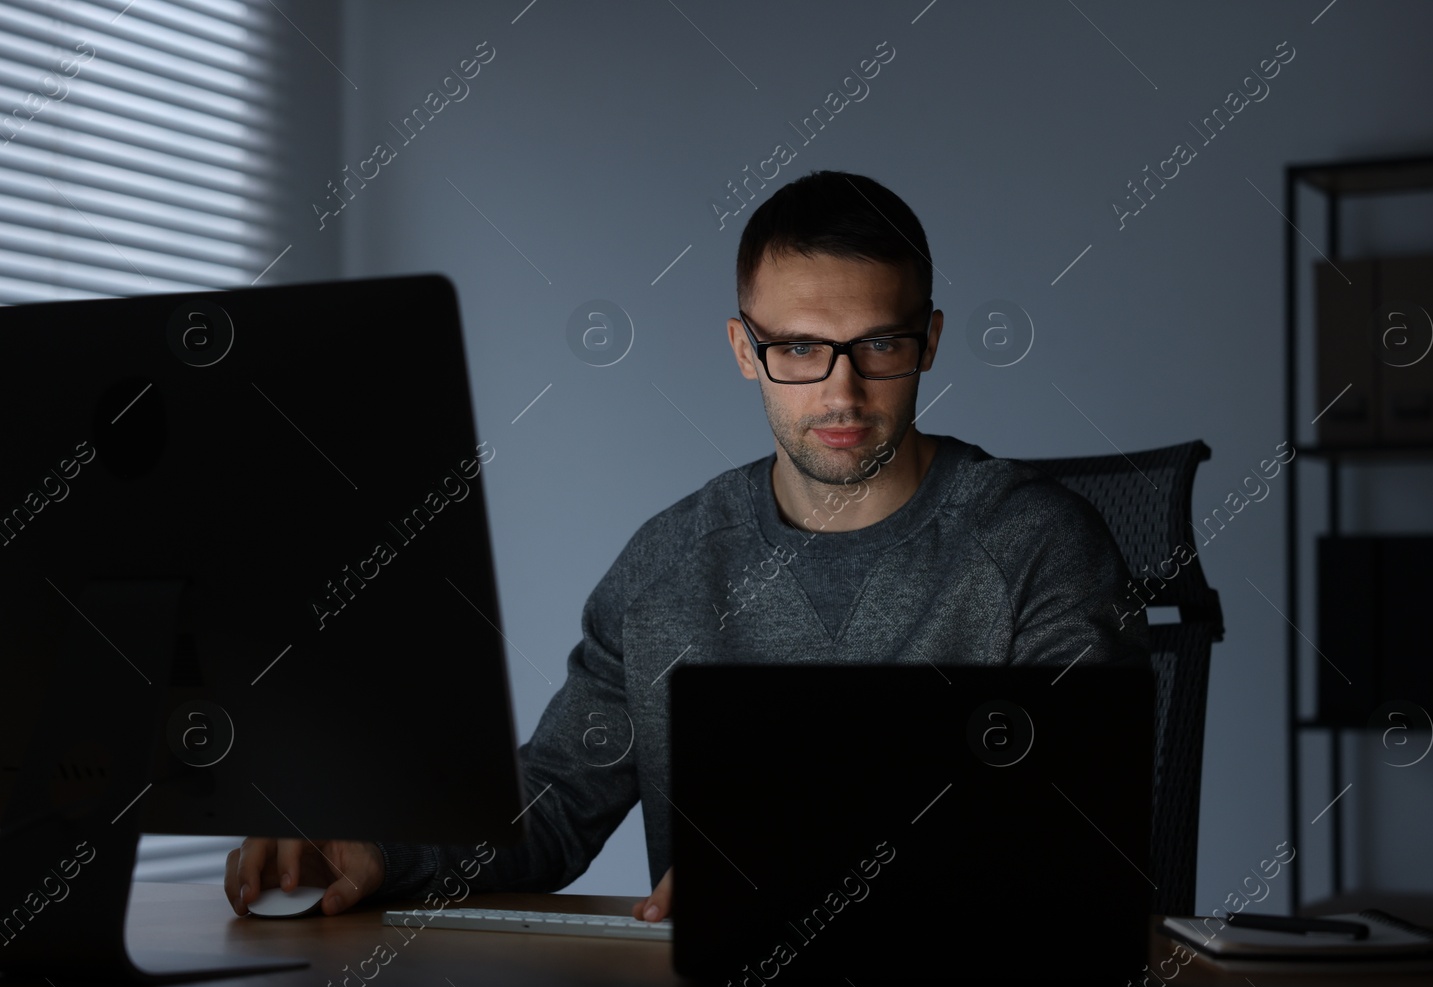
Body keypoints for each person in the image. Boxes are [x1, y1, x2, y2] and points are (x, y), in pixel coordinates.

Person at [225, 170, 1152, 922]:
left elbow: (1075, 831)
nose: (841, 392)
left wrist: (813, 880)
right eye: (797, 349)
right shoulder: (667, 565)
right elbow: (551, 805)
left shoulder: (1037, 544)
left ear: (931, 340)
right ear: (745, 349)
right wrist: (381, 848)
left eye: (879, 345)